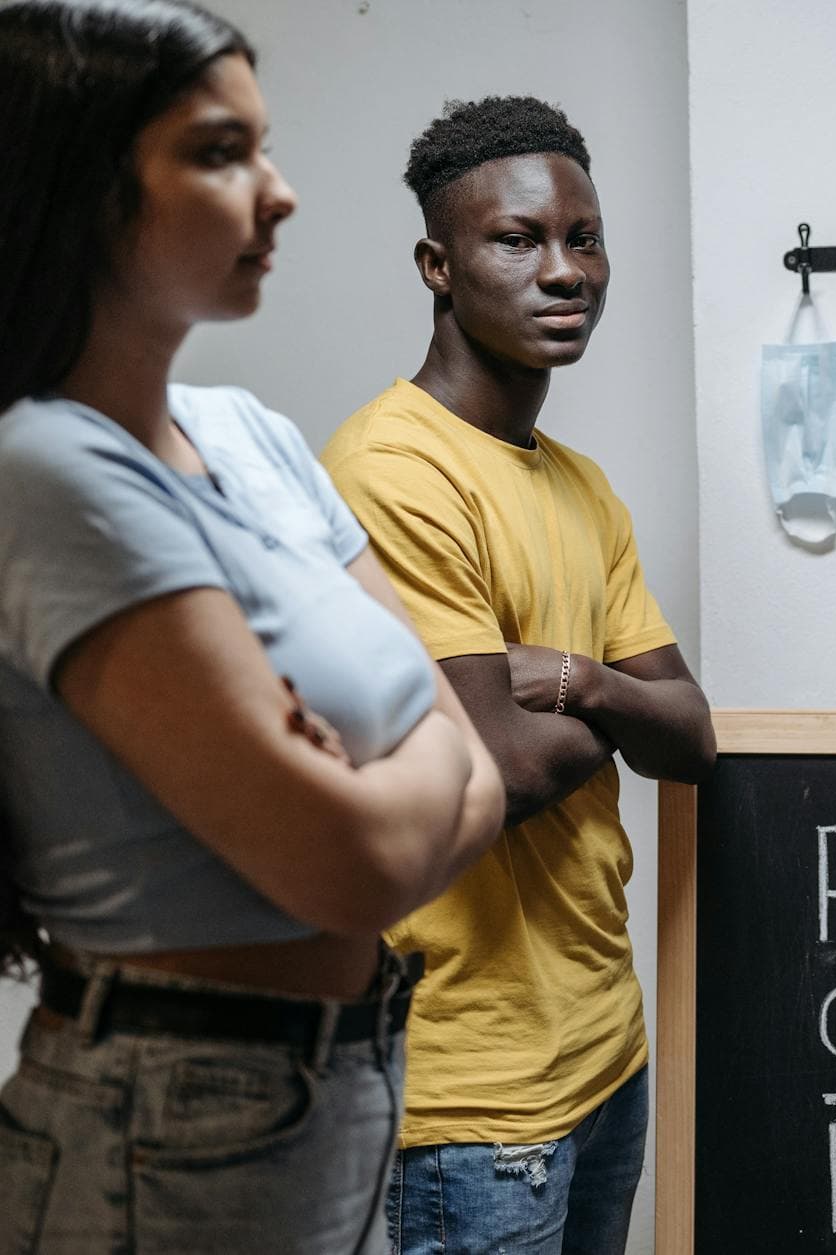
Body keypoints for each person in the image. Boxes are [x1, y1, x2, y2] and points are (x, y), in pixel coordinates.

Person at [0, 3, 506, 1252]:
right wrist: (419, 761)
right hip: (168, 1114)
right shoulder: (46, 467)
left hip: (338, 1087)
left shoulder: (252, 435)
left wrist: (407, 764)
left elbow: (481, 766)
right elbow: (347, 867)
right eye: (223, 153)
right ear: (79, 186)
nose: (278, 195)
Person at [322, 95, 715, 1254]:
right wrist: (590, 710)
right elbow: (493, 769)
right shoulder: (392, 469)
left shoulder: (582, 487)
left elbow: (692, 737)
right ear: (437, 265)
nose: (564, 271)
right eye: (518, 240)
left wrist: (577, 681)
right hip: (473, 1090)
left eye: (583, 238)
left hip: (606, 1050)